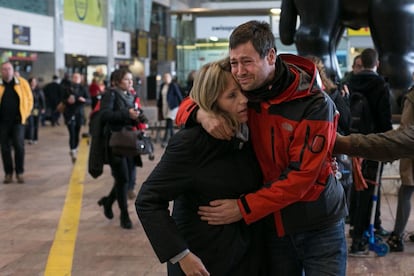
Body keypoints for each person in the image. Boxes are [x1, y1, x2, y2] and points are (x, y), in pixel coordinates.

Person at [176, 20, 347, 275]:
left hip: (318, 224)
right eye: (234, 62)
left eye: (247, 61)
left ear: (270, 56)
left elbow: (301, 177)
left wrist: (243, 208)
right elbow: (194, 100)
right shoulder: (245, 92)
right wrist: (202, 114)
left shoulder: (314, 102)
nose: (239, 71)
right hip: (271, 224)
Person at [136, 58, 268, 276]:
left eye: (243, 91)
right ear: (213, 103)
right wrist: (181, 255)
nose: (244, 100)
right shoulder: (192, 142)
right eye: (232, 96)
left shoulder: (245, 134)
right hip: (202, 263)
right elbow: (148, 200)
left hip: (241, 258)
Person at [346, 48, 393, 255]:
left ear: (361, 63)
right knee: (369, 188)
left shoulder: (350, 82)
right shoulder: (380, 85)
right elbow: (385, 119)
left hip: (352, 143)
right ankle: (359, 239)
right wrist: (389, 147)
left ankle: (357, 228)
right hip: (373, 144)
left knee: (357, 187)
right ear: (377, 64)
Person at [97, 68, 147, 229]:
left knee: (123, 179)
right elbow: (104, 115)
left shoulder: (130, 95)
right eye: (126, 79)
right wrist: (127, 114)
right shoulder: (110, 94)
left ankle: (108, 201)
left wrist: (138, 116)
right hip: (115, 142)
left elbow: (133, 114)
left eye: (131, 79)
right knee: (123, 178)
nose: (130, 82)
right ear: (117, 81)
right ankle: (124, 215)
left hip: (129, 142)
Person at [385, 86, 414, 251]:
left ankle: (397, 237)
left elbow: (405, 128)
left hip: (411, 152)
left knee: (406, 192)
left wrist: (391, 148)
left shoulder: (412, 96)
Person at [0, 61, 33, 184]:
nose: (7, 71)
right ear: (1, 72)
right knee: (4, 148)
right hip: (2, 122)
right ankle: (8, 173)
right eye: (4, 69)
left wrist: (25, 113)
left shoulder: (22, 83)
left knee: (19, 146)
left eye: (9, 69)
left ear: (13, 71)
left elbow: (30, 99)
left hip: (18, 121)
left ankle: (19, 172)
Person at [61, 72, 90, 163]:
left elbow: (89, 100)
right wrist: (67, 101)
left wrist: (84, 100)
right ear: (72, 78)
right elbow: (62, 100)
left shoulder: (83, 88)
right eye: (74, 77)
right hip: (70, 114)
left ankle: (75, 147)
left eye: (78, 77)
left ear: (81, 79)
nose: (76, 79)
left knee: (77, 132)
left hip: (79, 114)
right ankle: (73, 150)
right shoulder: (67, 88)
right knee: (72, 132)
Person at [156, 72, 183, 148]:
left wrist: (182, 106)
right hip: (165, 106)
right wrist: (159, 106)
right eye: (165, 77)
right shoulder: (162, 86)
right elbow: (160, 97)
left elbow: (179, 95)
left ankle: (166, 140)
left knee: (169, 121)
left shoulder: (173, 85)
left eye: (168, 77)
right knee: (169, 122)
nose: (166, 78)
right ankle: (173, 139)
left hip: (173, 107)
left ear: (170, 78)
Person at [26, 77, 46, 144]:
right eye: (32, 81)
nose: (33, 83)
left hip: (36, 109)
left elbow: (42, 99)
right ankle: (30, 138)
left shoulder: (39, 90)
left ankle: (35, 138)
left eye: (34, 81)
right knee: (30, 124)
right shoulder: (27, 89)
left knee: (35, 123)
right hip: (29, 109)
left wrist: (43, 108)